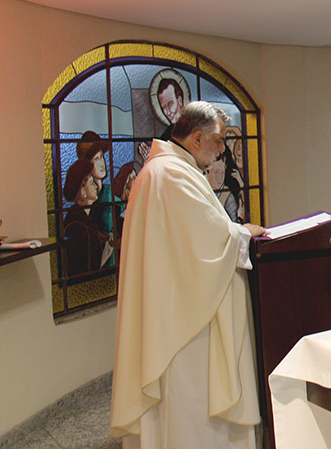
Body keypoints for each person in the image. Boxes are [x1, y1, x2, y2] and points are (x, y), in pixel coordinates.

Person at [110, 101, 267, 448]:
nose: (222, 149)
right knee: (190, 408)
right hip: (185, 324)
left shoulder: (167, 169)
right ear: (197, 138)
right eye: (219, 140)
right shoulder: (170, 174)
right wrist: (244, 233)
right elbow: (209, 240)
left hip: (176, 306)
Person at [62, 158, 107, 276]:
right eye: (91, 184)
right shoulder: (77, 226)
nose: (96, 186)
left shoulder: (86, 220)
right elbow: (86, 269)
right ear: (83, 191)